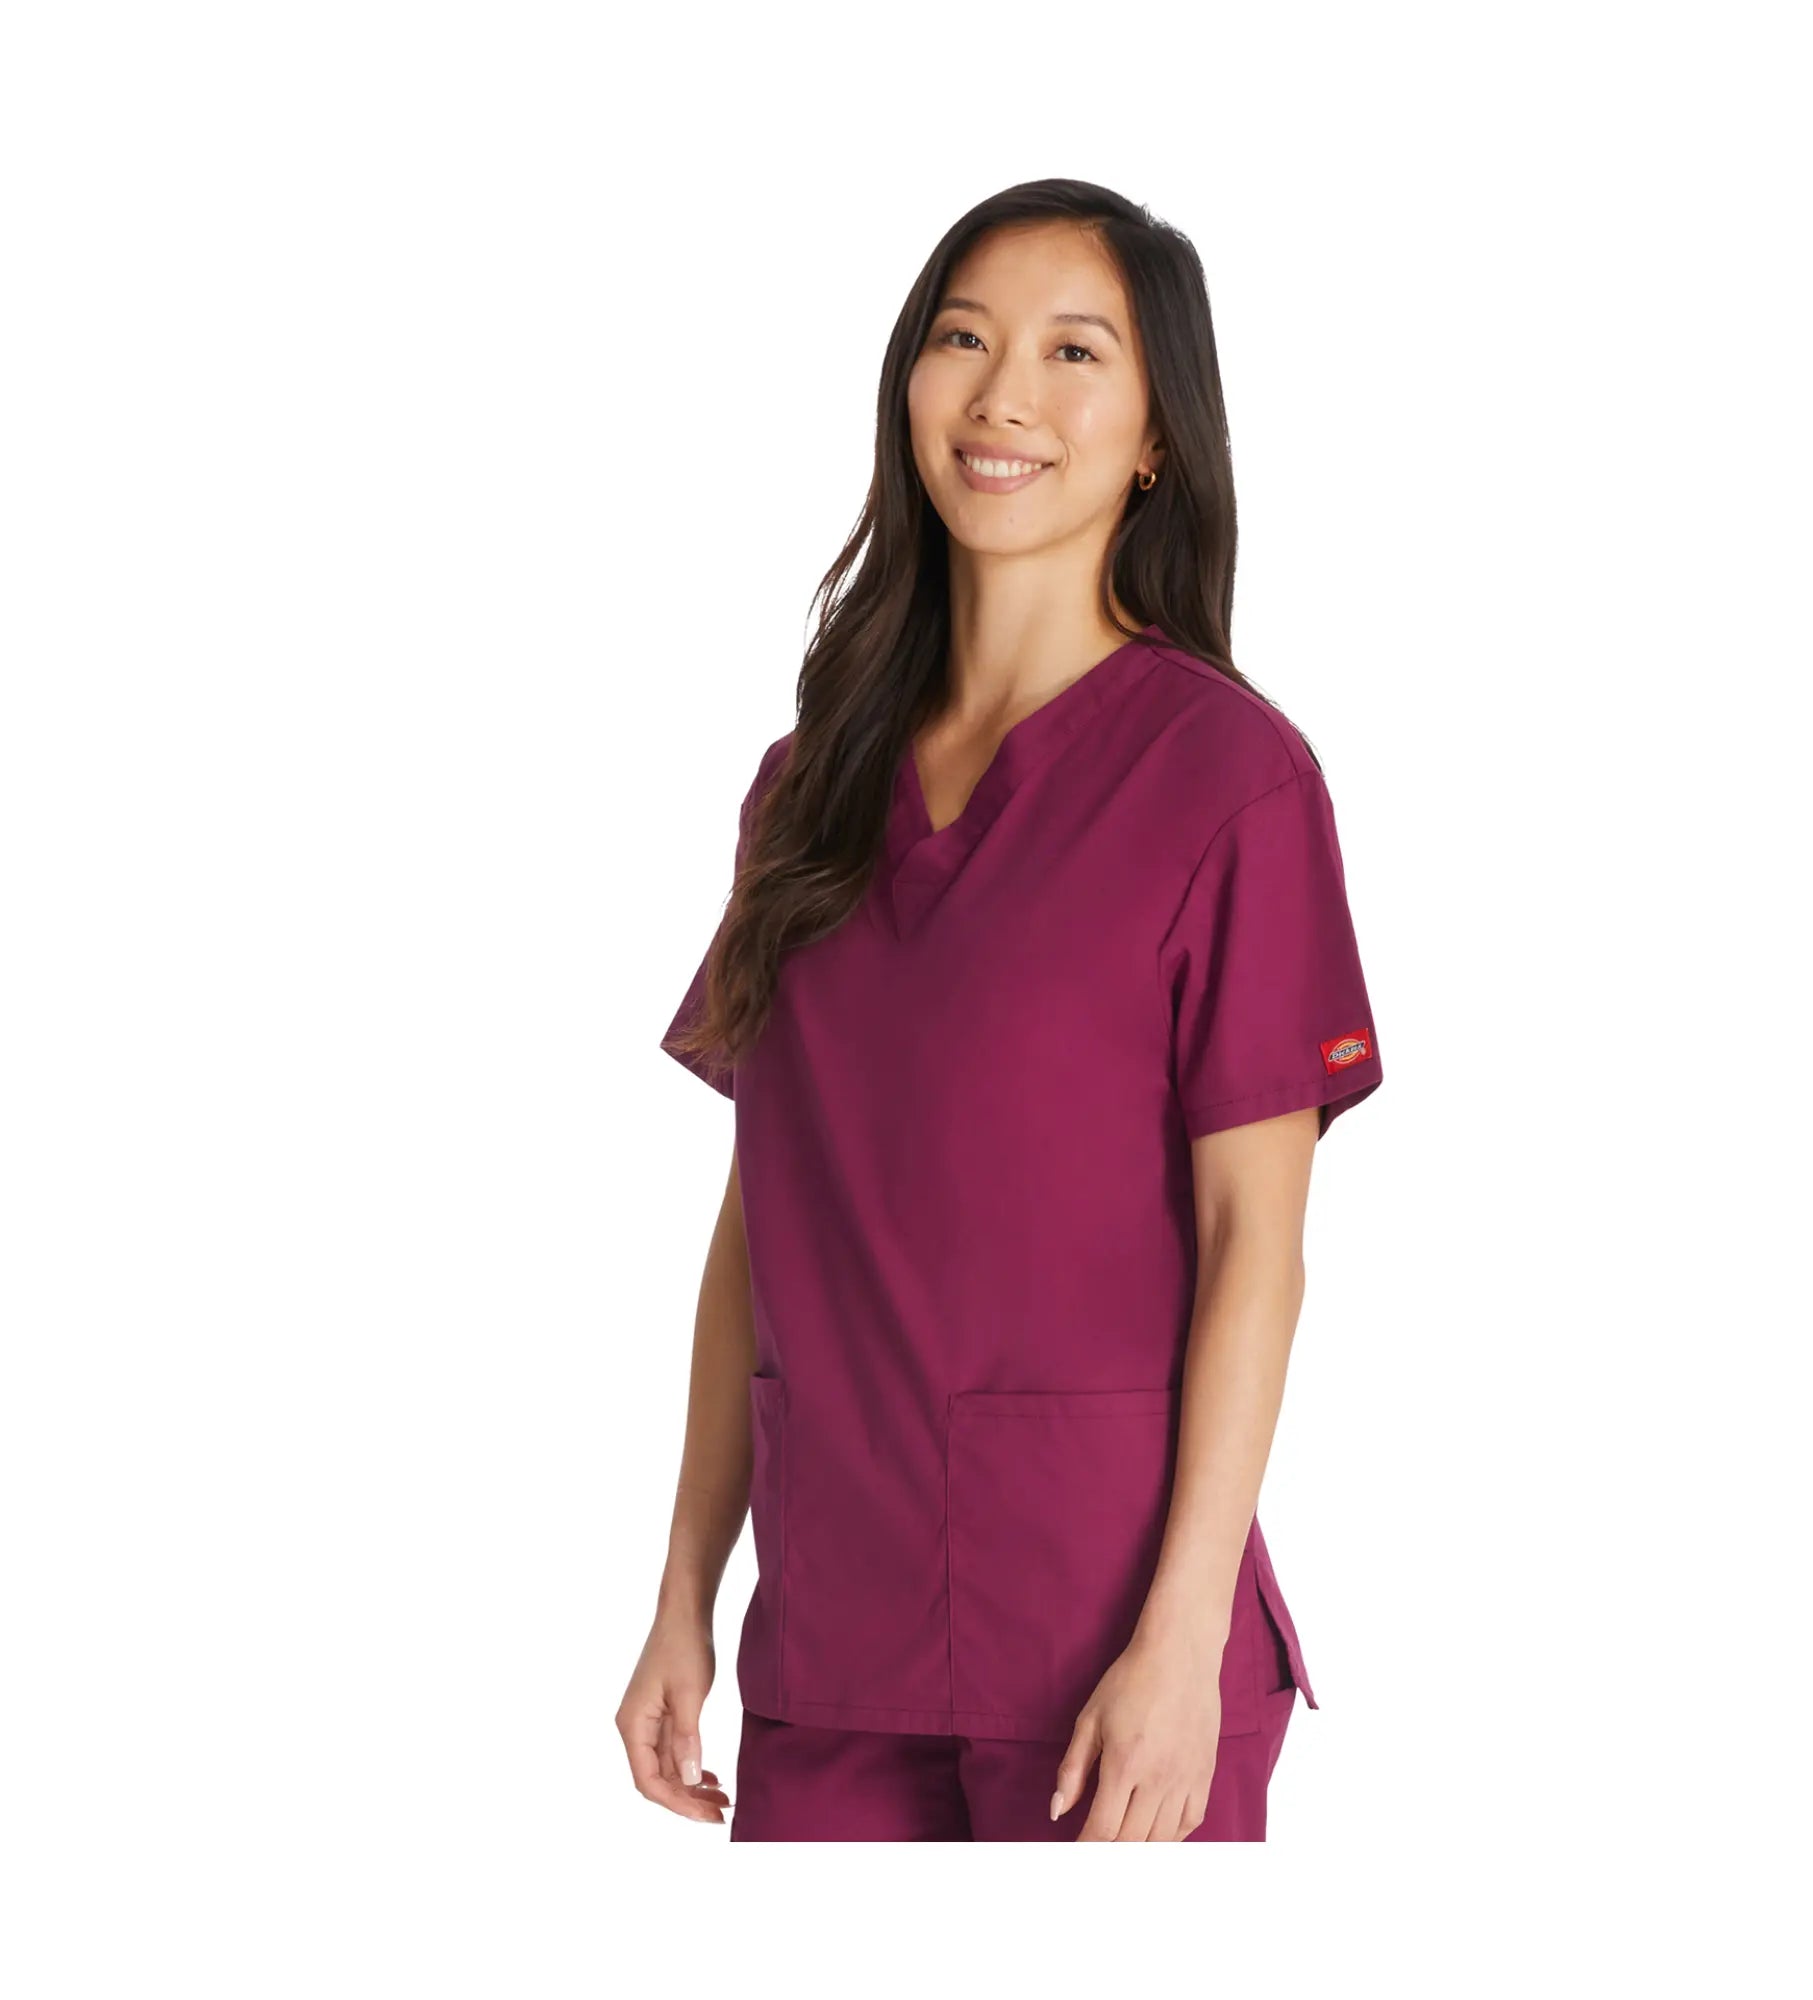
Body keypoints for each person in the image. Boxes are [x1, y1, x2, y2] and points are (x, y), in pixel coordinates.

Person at [616, 179, 1384, 1842]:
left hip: (1106, 1662)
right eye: (963, 339)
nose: (1003, 395)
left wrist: (1181, 1644)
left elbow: (1257, 1242)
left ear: (1159, 436)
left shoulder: (1233, 781)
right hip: (831, 1651)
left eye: (1073, 352)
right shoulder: (806, 790)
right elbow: (763, 1216)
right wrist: (686, 1586)